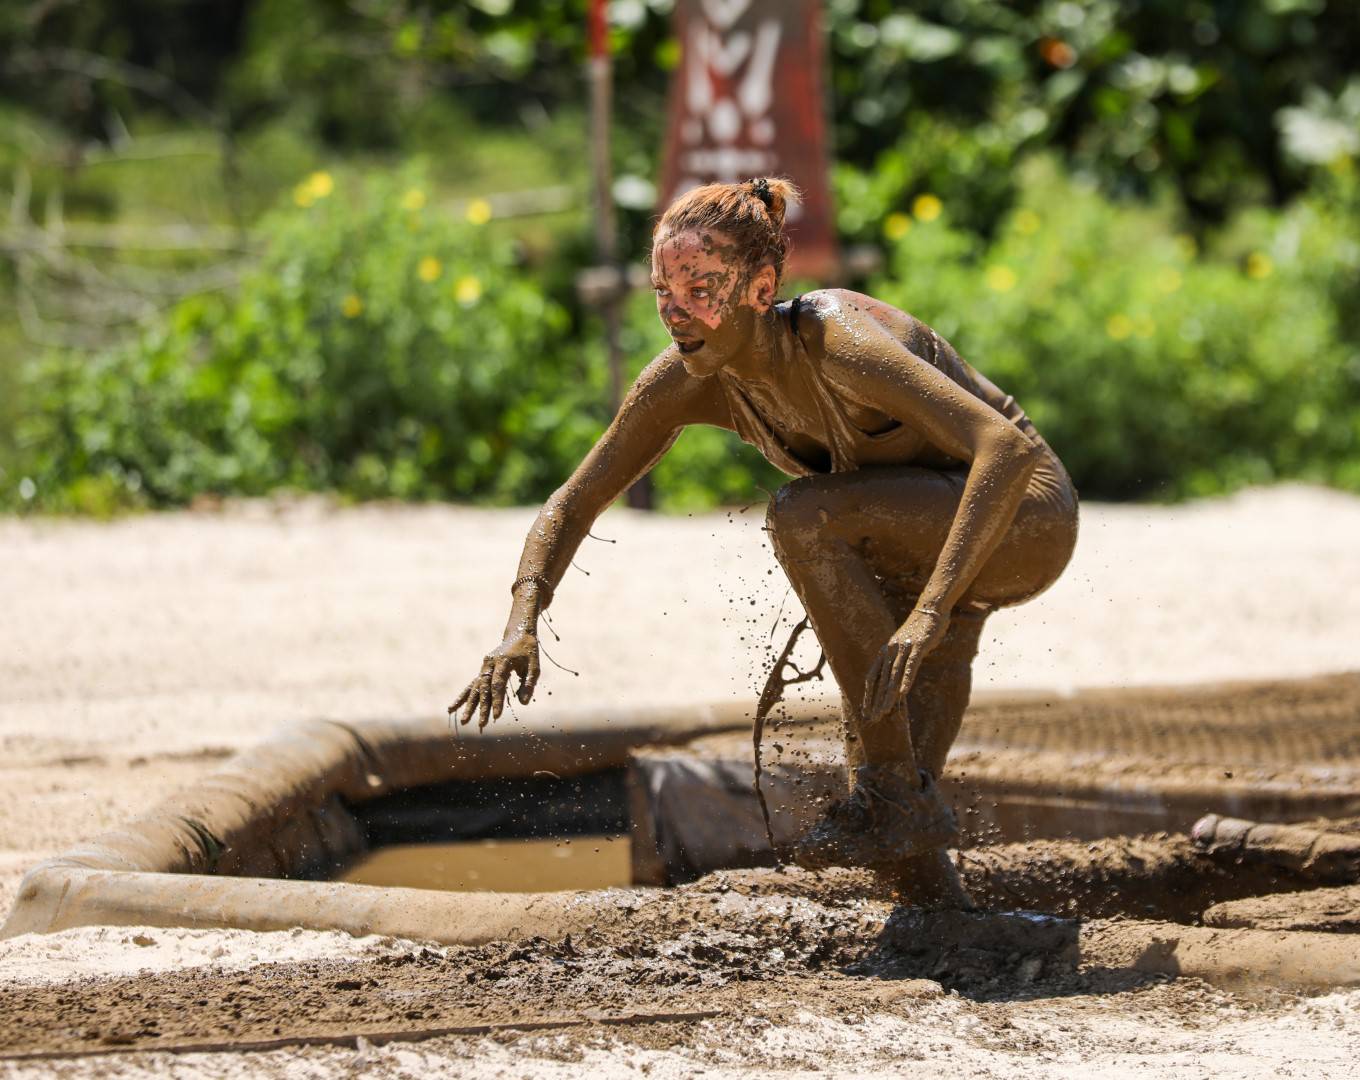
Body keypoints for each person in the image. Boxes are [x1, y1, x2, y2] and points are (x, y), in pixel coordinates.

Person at [449, 177, 1078, 906]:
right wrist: (521, 623)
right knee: (895, 825)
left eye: (700, 286)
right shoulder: (686, 379)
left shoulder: (835, 337)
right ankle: (956, 928)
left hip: (1023, 522)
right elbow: (575, 498)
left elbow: (1003, 449)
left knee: (803, 515)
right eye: (662, 288)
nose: (675, 311)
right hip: (921, 548)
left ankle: (895, 798)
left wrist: (934, 611)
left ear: (760, 287)